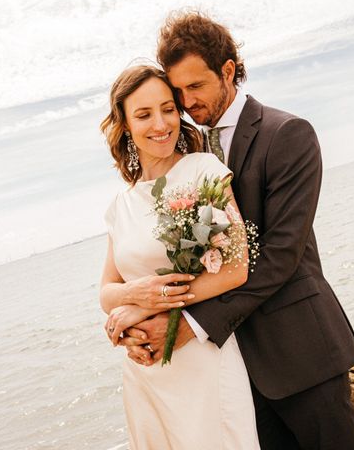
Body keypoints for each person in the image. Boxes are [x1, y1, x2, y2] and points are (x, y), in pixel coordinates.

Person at [121, 11, 354, 449]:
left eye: (195, 86)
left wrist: (188, 325)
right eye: (178, 91)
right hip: (231, 369)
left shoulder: (286, 133)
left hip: (299, 350)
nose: (186, 102)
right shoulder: (189, 157)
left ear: (228, 71)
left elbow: (280, 255)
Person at [99, 65, 261, 449]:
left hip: (203, 362)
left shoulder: (205, 171)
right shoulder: (120, 206)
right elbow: (106, 293)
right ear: (123, 124)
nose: (161, 123)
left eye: (168, 109)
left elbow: (235, 270)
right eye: (143, 114)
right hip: (146, 372)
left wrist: (145, 309)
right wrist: (134, 298)